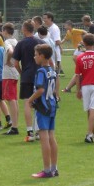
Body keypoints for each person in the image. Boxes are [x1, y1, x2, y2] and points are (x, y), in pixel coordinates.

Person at [27, 44, 59, 178]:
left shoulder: (41, 71)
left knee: (44, 138)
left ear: (41, 56)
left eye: (35, 54)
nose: (34, 57)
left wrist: (30, 100)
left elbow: (40, 89)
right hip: (52, 105)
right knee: (51, 136)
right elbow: (55, 85)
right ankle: (54, 168)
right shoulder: (51, 69)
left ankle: (46, 170)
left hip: (43, 107)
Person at [13, 20, 43, 142]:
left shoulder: (21, 44)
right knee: (39, 104)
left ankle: (30, 131)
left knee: (27, 103)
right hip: (40, 75)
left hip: (27, 76)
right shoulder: (41, 42)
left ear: (24, 29)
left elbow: (15, 63)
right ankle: (39, 131)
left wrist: (22, 73)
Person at [1, 23, 21, 136]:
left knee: (11, 99)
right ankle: (15, 124)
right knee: (14, 99)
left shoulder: (8, 42)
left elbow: (11, 52)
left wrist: (8, 61)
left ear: (5, 31)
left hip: (8, 73)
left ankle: (14, 126)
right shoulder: (16, 41)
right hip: (15, 73)